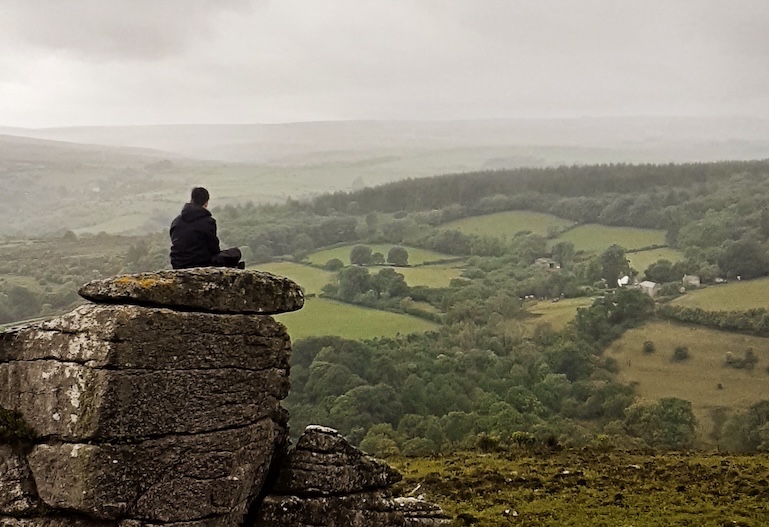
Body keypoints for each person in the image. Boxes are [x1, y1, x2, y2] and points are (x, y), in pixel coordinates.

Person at [169, 187, 244, 269]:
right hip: (201, 263)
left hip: (178, 264)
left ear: (191, 199)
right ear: (206, 203)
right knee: (235, 253)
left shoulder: (176, 222)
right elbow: (214, 249)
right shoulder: (208, 222)